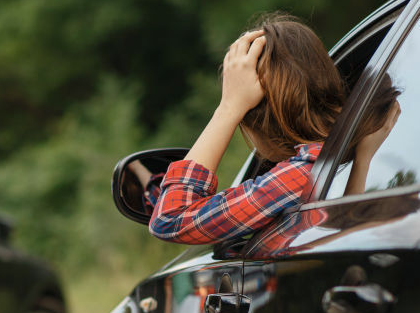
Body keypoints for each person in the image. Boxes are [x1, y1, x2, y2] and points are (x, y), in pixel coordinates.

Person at [143, 14, 400, 244]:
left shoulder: (300, 176)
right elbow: (344, 236)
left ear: (255, 122)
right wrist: (363, 160)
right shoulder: (330, 164)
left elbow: (171, 219)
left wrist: (228, 108)